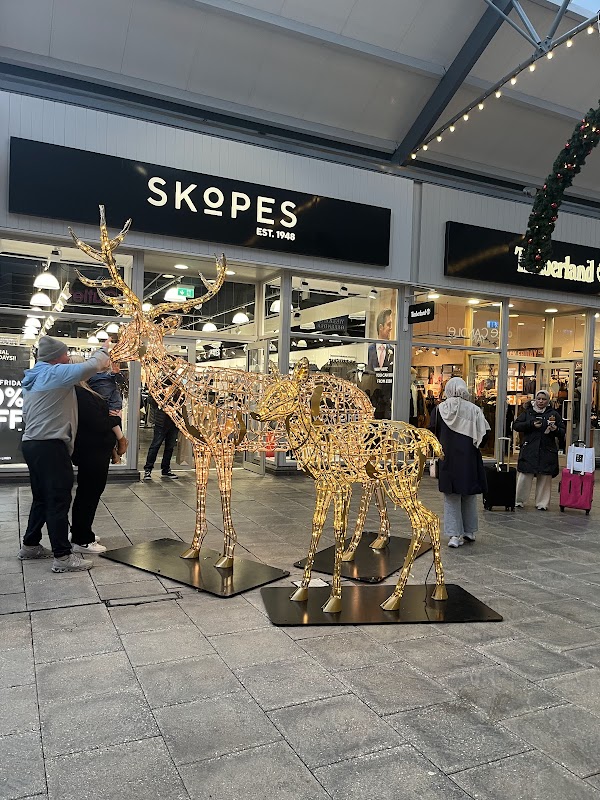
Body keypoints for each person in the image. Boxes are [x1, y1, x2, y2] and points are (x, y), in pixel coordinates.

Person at [18, 336, 110, 572]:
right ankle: (63, 557)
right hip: (51, 445)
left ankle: (30, 545)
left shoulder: (34, 376)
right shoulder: (55, 372)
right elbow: (93, 365)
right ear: (56, 357)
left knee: (41, 497)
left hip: (32, 443)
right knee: (59, 499)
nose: (68, 358)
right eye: (66, 354)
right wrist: (104, 349)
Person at [69, 355, 123, 553]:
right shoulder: (82, 394)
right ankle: (83, 539)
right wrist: (116, 419)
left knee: (87, 493)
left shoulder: (81, 391)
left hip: (92, 450)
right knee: (89, 493)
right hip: (92, 451)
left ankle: (80, 532)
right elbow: (97, 423)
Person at [428, 377, 490, 548]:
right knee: (469, 494)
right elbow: (484, 436)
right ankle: (470, 530)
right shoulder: (474, 410)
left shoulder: (439, 410)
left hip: (448, 458)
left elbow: (432, 432)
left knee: (451, 496)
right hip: (469, 457)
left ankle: (454, 534)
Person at [513, 389, 565, 510]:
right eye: (539, 399)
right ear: (535, 400)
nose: (541, 401)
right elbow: (516, 425)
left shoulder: (554, 414)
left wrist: (555, 429)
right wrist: (531, 424)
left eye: (544, 399)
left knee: (545, 477)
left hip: (547, 450)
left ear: (548, 401)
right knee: (525, 475)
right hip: (529, 449)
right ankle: (519, 500)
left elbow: (562, 432)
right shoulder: (528, 412)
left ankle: (542, 503)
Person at [88, 362, 128, 463]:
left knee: (110, 423)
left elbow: (123, 383)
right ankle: (118, 445)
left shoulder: (106, 375)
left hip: (109, 406)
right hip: (106, 406)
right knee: (108, 427)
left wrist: (117, 373)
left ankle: (119, 444)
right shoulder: (99, 376)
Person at [367, 309, 394, 419]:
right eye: (389, 324)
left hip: (387, 406)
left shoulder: (393, 351)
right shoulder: (370, 350)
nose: (391, 328)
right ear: (381, 327)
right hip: (371, 404)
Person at [143, 397, 179, 480]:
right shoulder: (160, 390)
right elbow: (151, 400)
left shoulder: (178, 390)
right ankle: (148, 469)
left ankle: (165, 469)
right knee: (156, 445)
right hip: (162, 420)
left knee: (169, 447)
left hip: (173, 420)